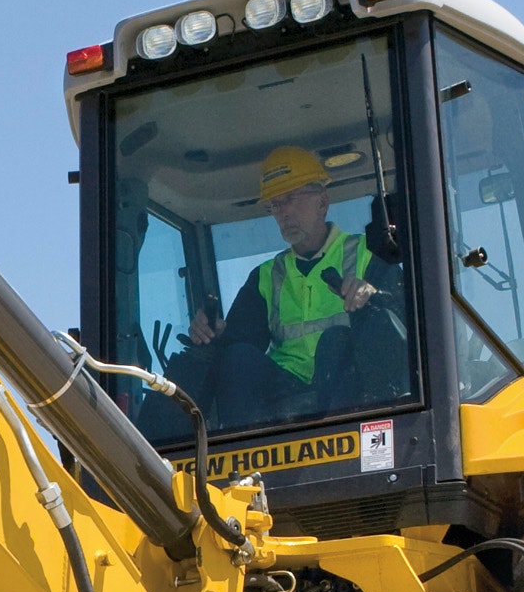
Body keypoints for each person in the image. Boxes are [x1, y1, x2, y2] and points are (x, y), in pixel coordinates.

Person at [175, 145, 408, 422]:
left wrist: (374, 295)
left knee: (335, 342)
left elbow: (405, 325)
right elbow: (240, 342)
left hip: (350, 391)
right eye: (275, 205)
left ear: (322, 203)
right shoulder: (266, 276)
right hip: (286, 388)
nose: (282, 213)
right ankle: (246, 446)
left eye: (290, 199)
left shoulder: (369, 256)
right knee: (237, 358)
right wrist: (213, 332)